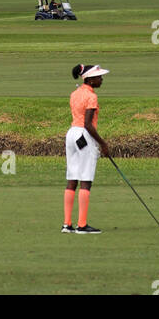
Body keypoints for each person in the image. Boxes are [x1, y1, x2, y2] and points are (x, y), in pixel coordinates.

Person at [63, 63, 110, 234]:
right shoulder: (92, 97)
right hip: (84, 135)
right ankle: (81, 225)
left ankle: (67, 224)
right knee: (86, 179)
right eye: (99, 77)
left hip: (71, 134)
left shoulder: (75, 93)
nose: (102, 79)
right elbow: (88, 125)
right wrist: (103, 144)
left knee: (72, 178)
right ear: (90, 79)